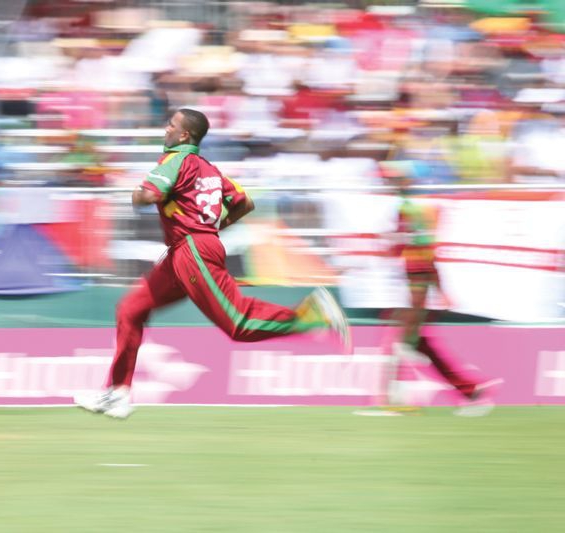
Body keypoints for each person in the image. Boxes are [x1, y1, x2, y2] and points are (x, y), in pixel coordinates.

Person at [75, 108, 350, 419]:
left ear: (184, 136)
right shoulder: (210, 169)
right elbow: (245, 202)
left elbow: (150, 195)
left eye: (171, 125)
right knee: (130, 309)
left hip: (192, 250)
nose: (165, 129)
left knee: (238, 324)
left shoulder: (175, 160)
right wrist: (212, 227)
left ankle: (309, 315)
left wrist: (136, 196)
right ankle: (118, 392)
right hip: (187, 250)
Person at [377, 172, 500, 416]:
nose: (389, 185)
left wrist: (437, 292)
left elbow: (425, 255)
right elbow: (402, 249)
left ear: (405, 183)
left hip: (417, 290)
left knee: (403, 344)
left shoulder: (413, 212)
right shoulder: (403, 210)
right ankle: (472, 392)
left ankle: (396, 401)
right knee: (418, 346)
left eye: (394, 180)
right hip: (412, 288)